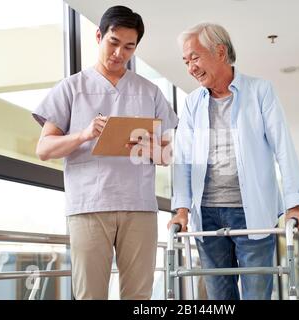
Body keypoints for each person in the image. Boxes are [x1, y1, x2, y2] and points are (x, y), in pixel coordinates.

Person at [32, 6, 178, 300]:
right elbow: (43, 149)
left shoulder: (150, 92)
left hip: (139, 206)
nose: (119, 53)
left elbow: (170, 153)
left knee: (139, 296)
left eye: (129, 47)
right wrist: (84, 134)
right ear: (99, 36)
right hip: (89, 206)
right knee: (90, 295)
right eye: (113, 42)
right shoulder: (71, 88)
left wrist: (152, 149)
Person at [168, 23, 299, 300]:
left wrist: (295, 205)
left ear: (220, 52)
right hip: (206, 214)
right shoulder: (192, 102)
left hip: (251, 211)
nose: (191, 68)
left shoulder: (260, 91)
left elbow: (284, 147)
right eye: (186, 62)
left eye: (195, 58)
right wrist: (182, 210)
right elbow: (182, 158)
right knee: (220, 299)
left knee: (256, 294)